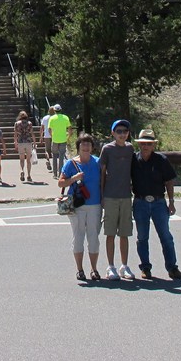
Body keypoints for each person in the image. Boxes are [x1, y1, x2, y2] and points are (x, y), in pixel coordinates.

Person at [131, 128, 181, 280]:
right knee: (142, 237)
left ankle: (172, 267)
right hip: (140, 202)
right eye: (143, 143)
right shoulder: (133, 159)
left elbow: (169, 181)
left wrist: (171, 202)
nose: (145, 146)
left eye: (149, 143)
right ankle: (145, 267)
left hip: (159, 202)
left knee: (165, 236)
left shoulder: (161, 160)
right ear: (139, 145)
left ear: (153, 145)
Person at [60, 133, 103, 282]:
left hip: (95, 205)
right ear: (78, 147)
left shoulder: (98, 162)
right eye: (83, 145)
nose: (85, 147)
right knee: (78, 237)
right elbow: (61, 183)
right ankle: (80, 269)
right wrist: (74, 178)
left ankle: (94, 269)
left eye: (88, 145)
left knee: (93, 238)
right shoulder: (70, 164)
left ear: (92, 147)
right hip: (77, 206)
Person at [99, 119, 136, 281]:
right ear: (113, 133)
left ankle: (124, 265)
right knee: (110, 233)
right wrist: (101, 195)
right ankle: (110, 266)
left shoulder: (130, 149)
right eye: (119, 131)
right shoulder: (107, 149)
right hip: (110, 195)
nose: (122, 134)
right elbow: (102, 173)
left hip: (126, 196)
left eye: (125, 131)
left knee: (125, 233)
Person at [48, 105, 72, 178]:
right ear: (61, 110)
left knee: (54, 156)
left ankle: (55, 174)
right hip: (63, 139)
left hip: (55, 140)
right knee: (61, 156)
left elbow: (49, 129)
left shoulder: (51, 118)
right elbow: (70, 129)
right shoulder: (65, 117)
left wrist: (52, 136)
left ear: (54, 110)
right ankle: (61, 173)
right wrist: (68, 137)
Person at [13, 111, 34, 182]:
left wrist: (15, 143)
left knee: (21, 159)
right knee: (28, 160)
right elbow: (32, 133)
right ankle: (29, 175)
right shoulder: (29, 123)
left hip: (20, 142)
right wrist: (34, 142)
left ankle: (22, 170)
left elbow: (15, 134)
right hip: (28, 142)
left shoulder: (17, 124)